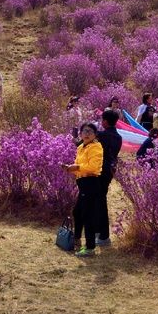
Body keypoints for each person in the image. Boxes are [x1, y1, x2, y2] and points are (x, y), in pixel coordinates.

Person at [62, 122, 103, 258]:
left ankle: (90, 248)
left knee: (87, 215)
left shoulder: (96, 147)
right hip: (83, 184)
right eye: (84, 131)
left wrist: (77, 167)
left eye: (90, 131)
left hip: (91, 183)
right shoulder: (80, 147)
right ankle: (77, 239)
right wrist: (70, 168)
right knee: (77, 212)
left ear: (95, 135)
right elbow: (79, 167)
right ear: (80, 133)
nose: (87, 134)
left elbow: (93, 167)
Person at [95, 110, 122, 248]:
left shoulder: (102, 135)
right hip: (109, 172)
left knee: (100, 202)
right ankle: (99, 232)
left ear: (105, 121)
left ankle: (104, 236)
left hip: (99, 171)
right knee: (99, 200)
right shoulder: (118, 137)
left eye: (102, 120)